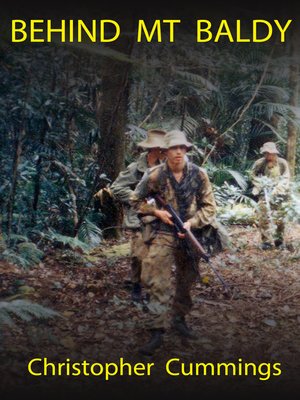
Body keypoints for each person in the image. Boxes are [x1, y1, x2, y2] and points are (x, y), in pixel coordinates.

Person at [130, 129, 217, 355]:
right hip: (163, 232)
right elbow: (135, 200)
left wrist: (193, 223)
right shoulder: (154, 175)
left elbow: (210, 207)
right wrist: (157, 213)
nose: (178, 152)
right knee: (156, 279)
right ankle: (157, 331)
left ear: (187, 149)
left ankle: (179, 319)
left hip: (190, 233)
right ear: (165, 151)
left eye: (182, 148)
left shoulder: (199, 174)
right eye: (173, 148)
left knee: (186, 279)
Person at [109, 129, 167, 301]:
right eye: (161, 149)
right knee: (138, 255)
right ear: (152, 149)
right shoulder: (135, 168)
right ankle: (136, 286)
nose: (164, 152)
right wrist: (137, 197)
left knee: (156, 256)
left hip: (160, 217)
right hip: (139, 217)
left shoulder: (167, 169)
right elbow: (116, 188)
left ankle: (151, 290)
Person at [250, 141, 291, 250]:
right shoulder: (259, 163)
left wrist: (278, 188)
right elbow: (252, 175)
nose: (269, 156)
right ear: (264, 154)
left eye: (271, 153)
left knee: (280, 218)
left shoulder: (282, 163)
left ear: (275, 153)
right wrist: (259, 184)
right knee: (264, 217)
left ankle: (279, 240)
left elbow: (286, 177)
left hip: (280, 194)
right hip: (264, 193)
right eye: (267, 153)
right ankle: (266, 241)